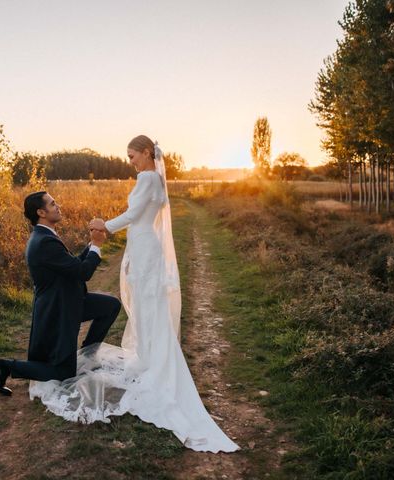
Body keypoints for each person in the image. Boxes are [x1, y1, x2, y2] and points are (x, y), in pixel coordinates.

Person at [29, 135, 240, 453]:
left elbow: (132, 215)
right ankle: (152, 358)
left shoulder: (147, 178)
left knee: (146, 307)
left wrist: (104, 225)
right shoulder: (155, 180)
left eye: (131, 156)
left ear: (145, 153)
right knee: (145, 307)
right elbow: (140, 215)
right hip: (144, 245)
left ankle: (156, 365)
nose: (130, 162)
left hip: (143, 248)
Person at [0, 191, 122, 395]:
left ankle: (88, 353)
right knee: (64, 372)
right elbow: (82, 272)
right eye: (52, 204)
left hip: (70, 300)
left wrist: (92, 244)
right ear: (41, 212)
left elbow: (71, 265)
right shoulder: (44, 241)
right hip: (58, 308)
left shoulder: (45, 236)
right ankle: (4, 366)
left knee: (111, 306)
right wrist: (96, 245)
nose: (58, 206)